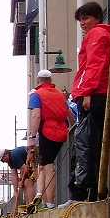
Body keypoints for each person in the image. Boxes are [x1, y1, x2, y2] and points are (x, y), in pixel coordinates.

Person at [69, 2, 110, 201]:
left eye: (85, 18)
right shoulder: (104, 34)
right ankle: (94, 191)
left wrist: (87, 93)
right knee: (93, 144)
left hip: (94, 95)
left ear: (96, 18)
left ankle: (85, 191)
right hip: (99, 93)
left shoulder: (96, 35)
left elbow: (94, 65)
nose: (82, 23)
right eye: (80, 20)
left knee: (87, 144)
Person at [26, 69, 69, 208]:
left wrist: (32, 137)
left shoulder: (36, 95)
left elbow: (36, 115)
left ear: (38, 81)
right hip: (62, 133)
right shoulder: (60, 94)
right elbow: (68, 112)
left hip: (47, 133)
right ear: (50, 80)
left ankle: (49, 203)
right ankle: (43, 198)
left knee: (48, 165)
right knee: (43, 165)